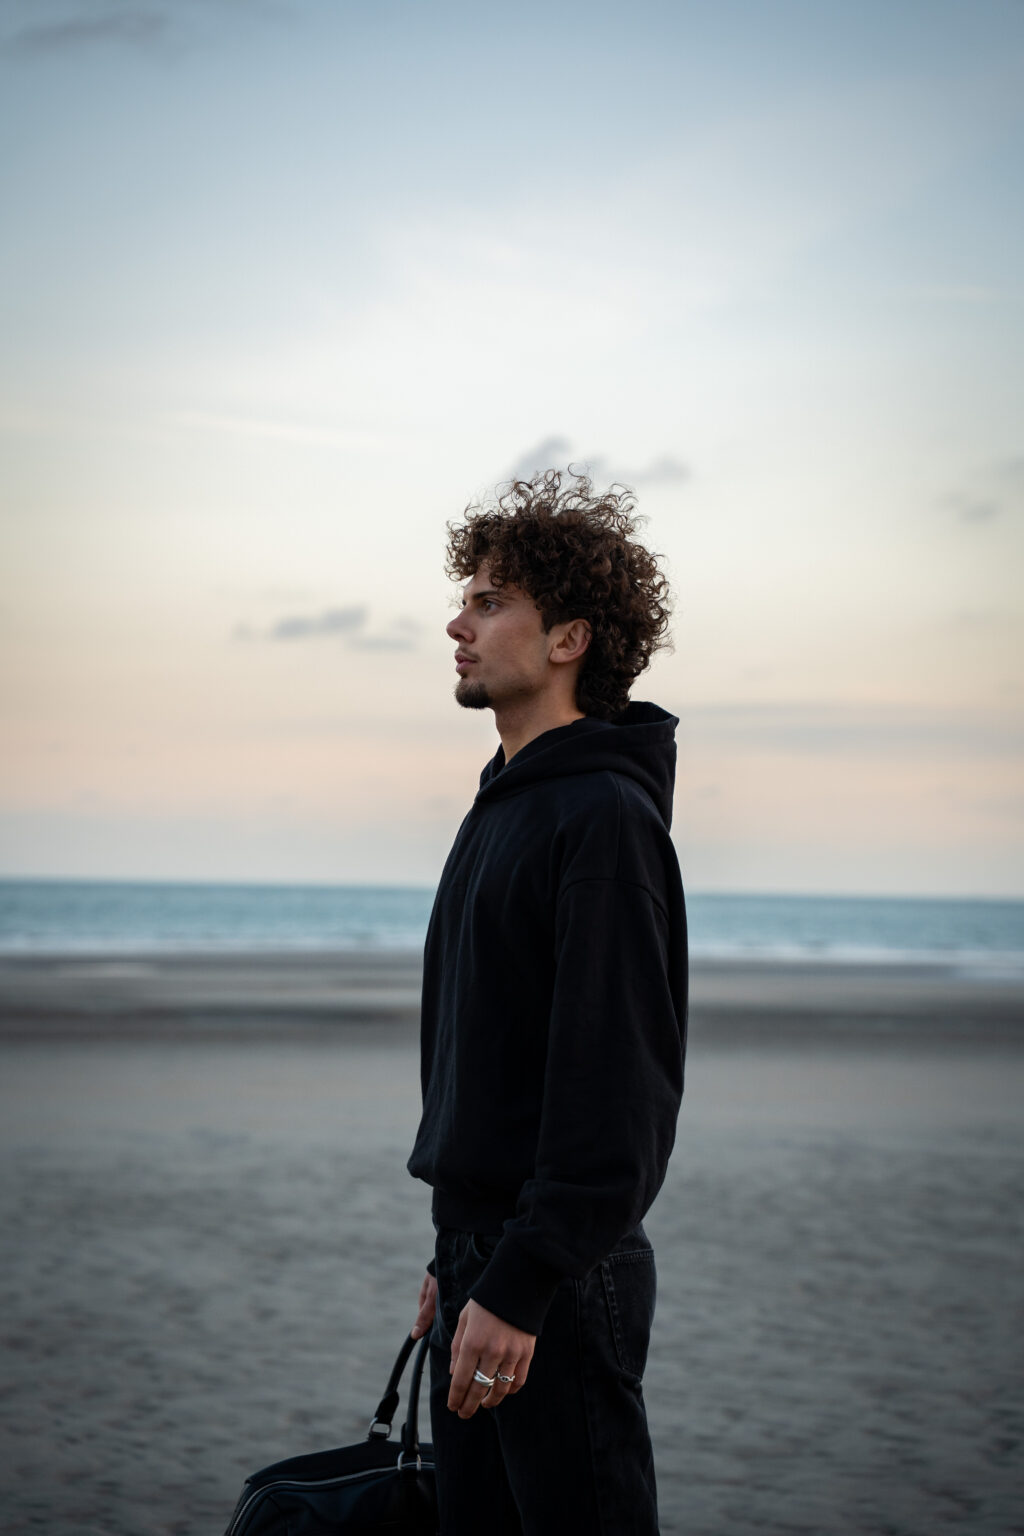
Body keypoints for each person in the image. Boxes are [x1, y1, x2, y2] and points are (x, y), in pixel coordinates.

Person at [407, 468, 688, 1535]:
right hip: (485, 1254)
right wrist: (455, 1254)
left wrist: (521, 1280)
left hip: (559, 1276)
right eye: (466, 598)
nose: (456, 623)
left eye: (489, 601)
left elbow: (614, 1092)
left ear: (568, 637)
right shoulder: (507, 804)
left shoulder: (603, 820)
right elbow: (493, 1055)